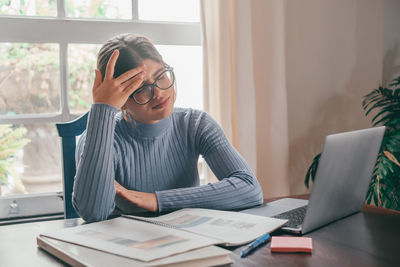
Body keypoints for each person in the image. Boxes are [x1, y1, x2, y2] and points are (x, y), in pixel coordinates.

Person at [73, 33, 263, 222]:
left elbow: (249, 188)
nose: (158, 92)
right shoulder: (99, 138)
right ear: (121, 101)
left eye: (161, 76)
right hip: (127, 246)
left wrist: (157, 200)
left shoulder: (195, 124)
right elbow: (94, 213)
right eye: (140, 89)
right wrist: (102, 108)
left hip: (190, 240)